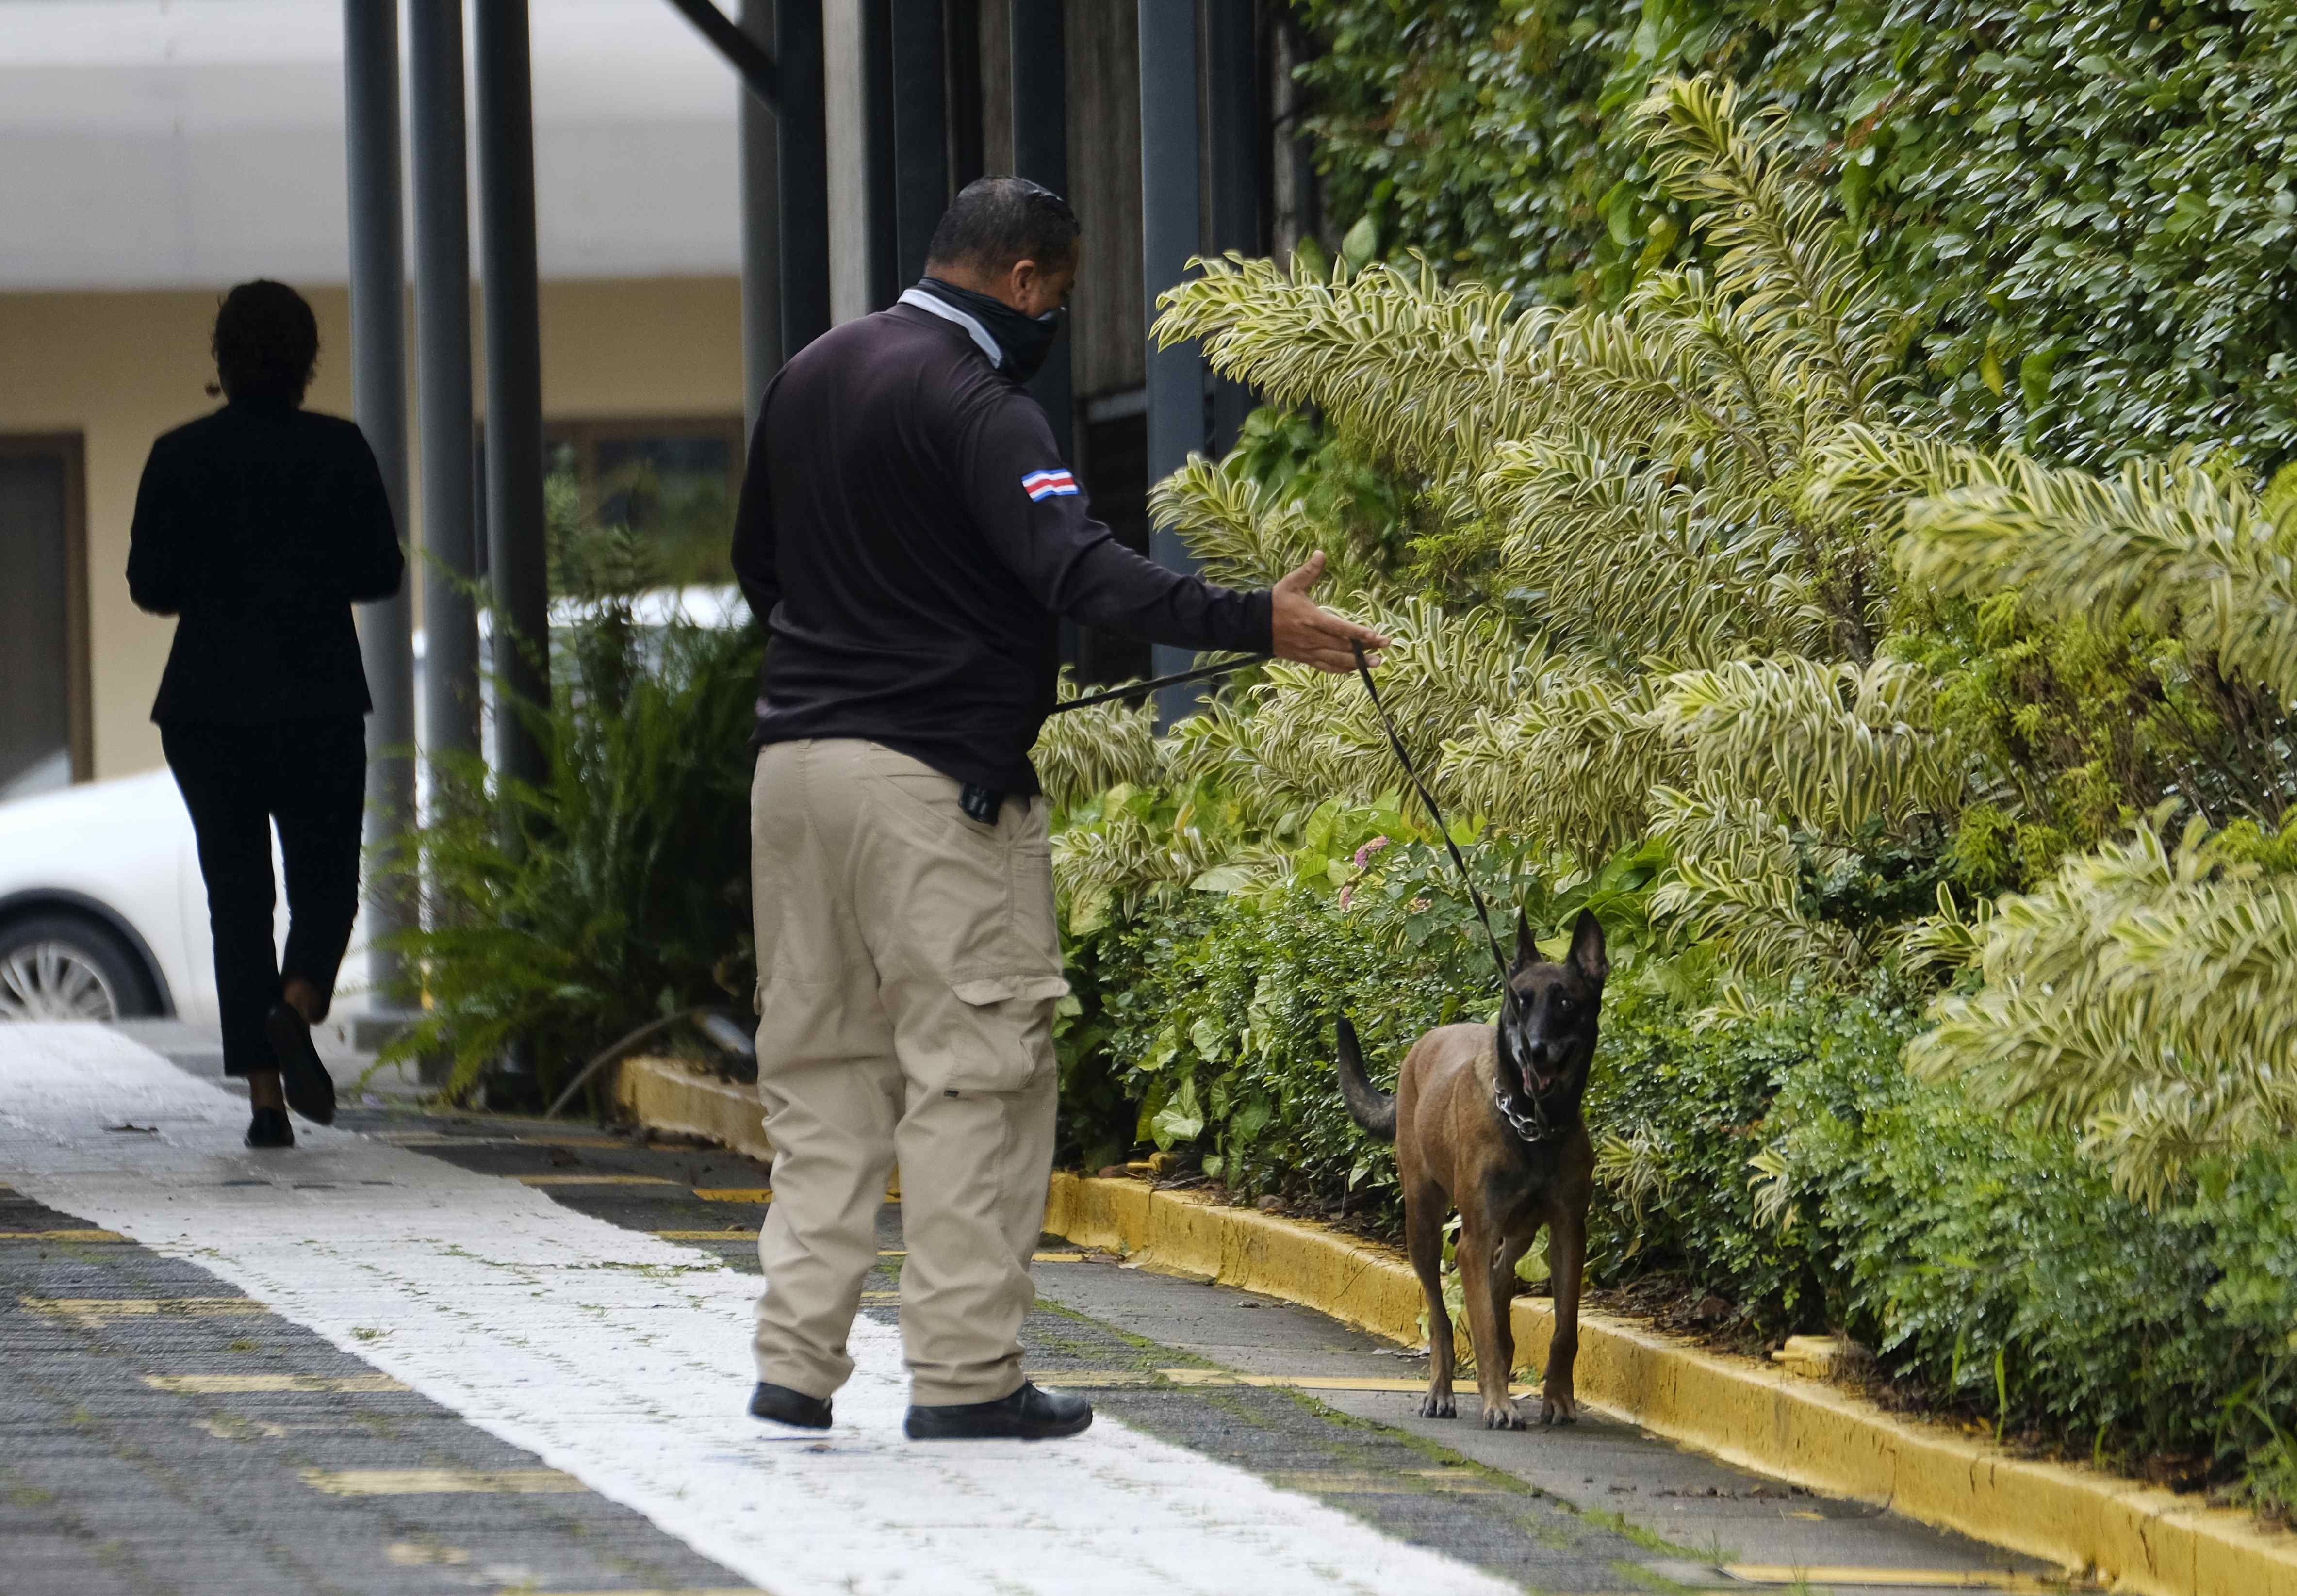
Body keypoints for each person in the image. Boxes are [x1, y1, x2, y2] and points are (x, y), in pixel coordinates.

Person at [732, 177, 1389, 1441]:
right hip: (928, 791)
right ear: (1024, 280)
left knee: (819, 1074)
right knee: (975, 1072)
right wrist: (1255, 619)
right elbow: (1072, 568)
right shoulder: (982, 405)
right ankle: (968, 1379)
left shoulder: (811, 372)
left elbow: (757, 566)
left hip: (792, 772)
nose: (1058, 316)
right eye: (1063, 293)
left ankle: (794, 1365)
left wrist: (865, 645)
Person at [127, 279, 405, 1149]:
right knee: (326, 883)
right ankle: (297, 1003)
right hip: (318, 699)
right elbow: (382, 573)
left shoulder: (179, 454)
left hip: (207, 707)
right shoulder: (340, 449)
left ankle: (264, 1104)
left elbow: (149, 587)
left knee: (237, 897)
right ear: (307, 358)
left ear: (222, 358)